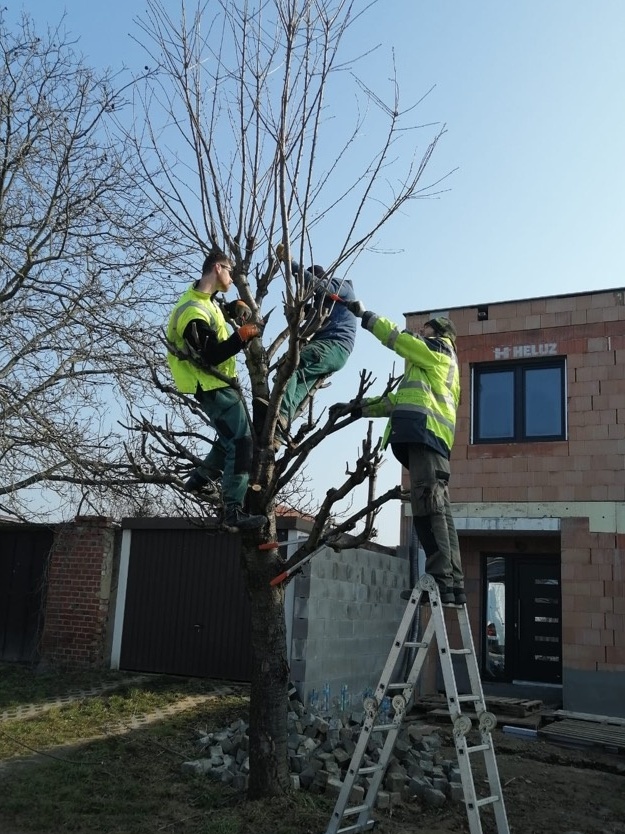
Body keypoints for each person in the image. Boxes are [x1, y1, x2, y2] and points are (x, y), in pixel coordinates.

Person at [332, 304, 465, 605]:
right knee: (440, 512)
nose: (420, 331)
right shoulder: (429, 368)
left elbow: (400, 340)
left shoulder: (438, 350)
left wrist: (366, 316)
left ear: (439, 333)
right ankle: (453, 584)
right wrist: (356, 407)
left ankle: (439, 581)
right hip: (430, 441)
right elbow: (394, 402)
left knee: (427, 510)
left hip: (426, 438)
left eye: (426, 328)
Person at [166, 248, 267, 531]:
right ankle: (233, 511)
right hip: (211, 385)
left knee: (227, 440)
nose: (233, 278)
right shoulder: (192, 311)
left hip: (218, 384)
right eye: (230, 271)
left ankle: (199, 481)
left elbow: (212, 321)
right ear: (218, 268)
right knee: (242, 442)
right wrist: (243, 335)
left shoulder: (203, 302)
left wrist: (231, 309)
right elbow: (210, 354)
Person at [273, 244, 358, 447]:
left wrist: (291, 264)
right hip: (333, 351)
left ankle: (280, 413)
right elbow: (301, 332)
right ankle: (276, 434)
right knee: (298, 383)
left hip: (333, 345)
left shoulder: (341, 286)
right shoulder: (320, 306)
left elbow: (320, 286)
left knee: (290, 364)